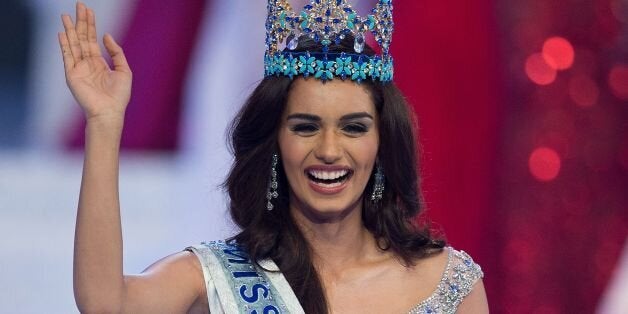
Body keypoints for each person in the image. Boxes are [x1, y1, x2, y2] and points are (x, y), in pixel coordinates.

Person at [59, 1, 488, 313]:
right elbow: (106, 303)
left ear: (382, 144)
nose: (329, 150)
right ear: (274, 144)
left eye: (354, 127)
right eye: (305, 127)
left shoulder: (448, 282)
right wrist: (104, 121)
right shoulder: (217, 276)